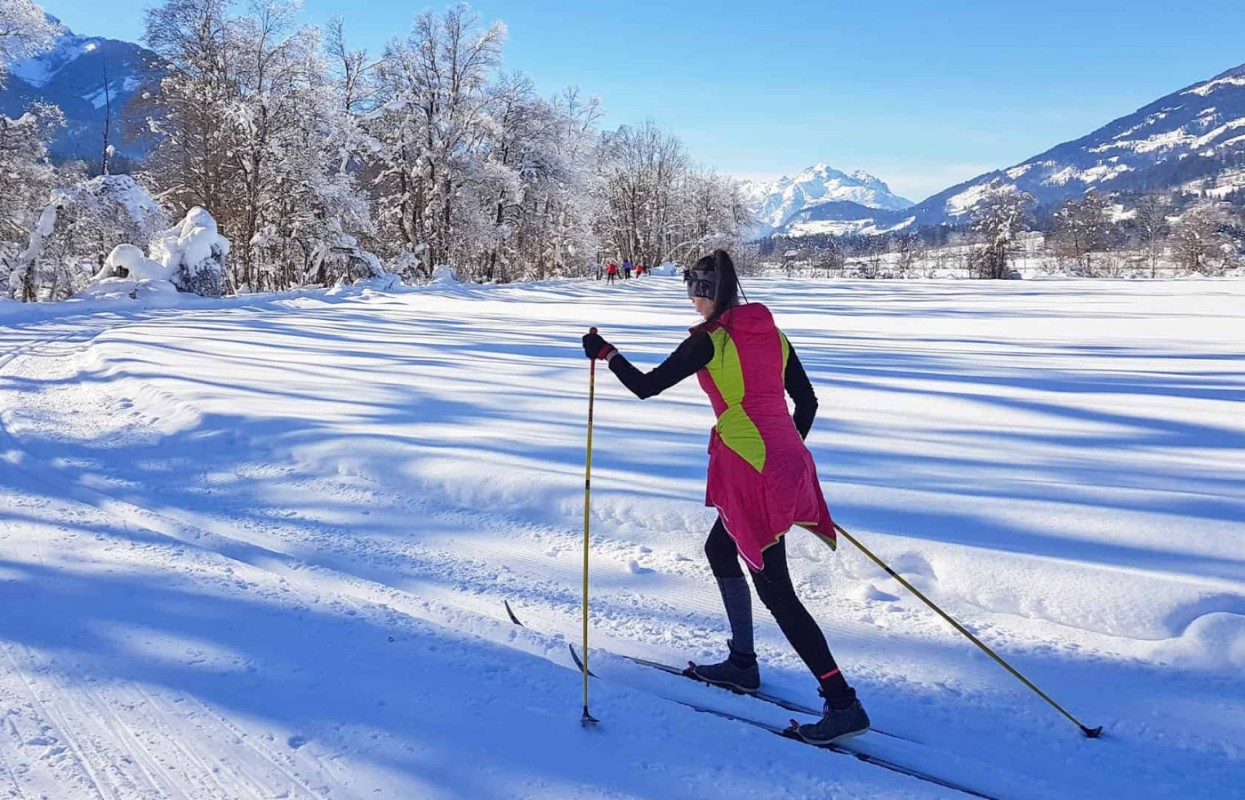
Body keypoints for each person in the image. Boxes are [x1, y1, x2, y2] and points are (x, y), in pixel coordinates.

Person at [581, 249, 869, 746]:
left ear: (705, 292)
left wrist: (605, 353)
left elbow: (646, 387)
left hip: (751, 468)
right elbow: (808, 401)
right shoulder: (772, 335)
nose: (690, 298)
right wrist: (784, 453)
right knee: (721, 548)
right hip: (788, 462)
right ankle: (742, 662)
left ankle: (842, 702)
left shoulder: (710, 341)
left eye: (692, 289)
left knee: (776, 589)